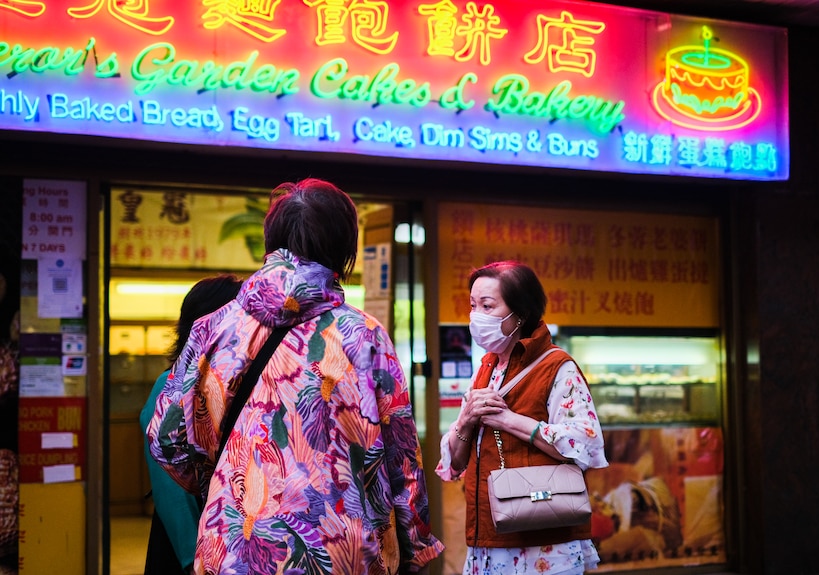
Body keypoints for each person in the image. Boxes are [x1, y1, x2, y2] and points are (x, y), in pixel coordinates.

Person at [147, 178, 443, 575]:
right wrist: (415, 551)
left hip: (233, 551)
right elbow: (401, 461)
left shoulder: (212, 329)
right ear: (343, 250)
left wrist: (229, 479)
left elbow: (169, 446)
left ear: (272, 241)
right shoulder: (364, 336)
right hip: (344, 554)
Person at [436, 260, 609, 575]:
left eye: (488, 306)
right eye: (473, 306)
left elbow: (583, 443)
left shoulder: (558, 367)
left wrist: (507, 420)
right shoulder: (487, 368)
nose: (476, 316)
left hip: (543, 542)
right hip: (488, 534)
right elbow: (457, 464)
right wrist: (466, 422)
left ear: (522, 314)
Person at [140, 274, 243, 575]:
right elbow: (172, 492)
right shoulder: (170, 388)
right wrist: (192, 559)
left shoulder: (226, 384)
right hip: (187, 551)